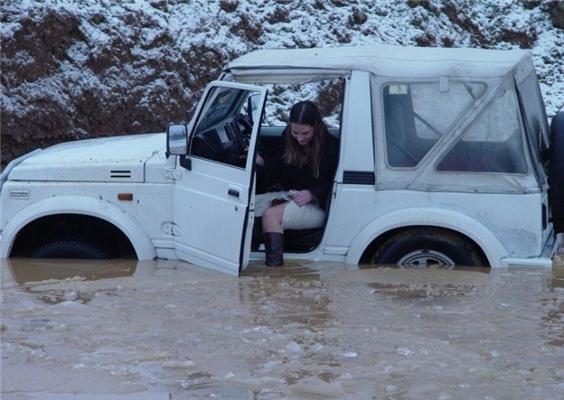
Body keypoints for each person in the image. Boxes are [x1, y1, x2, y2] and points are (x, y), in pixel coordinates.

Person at [255, 100, 339, 267]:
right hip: (291, 194)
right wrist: (262, 162)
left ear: (316, 127)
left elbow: (334, 183)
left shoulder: (330, 147)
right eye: (295, 132)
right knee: (246, 206)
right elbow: (281, 166)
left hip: (319, 204)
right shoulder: (288, 138)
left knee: (270, 215)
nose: (299, 138)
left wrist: (312, 193)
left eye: (305, 133)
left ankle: (274, 270)